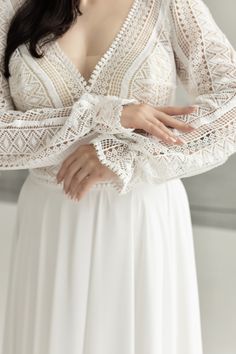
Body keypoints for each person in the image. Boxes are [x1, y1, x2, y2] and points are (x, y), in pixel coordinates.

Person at [1, 0, 236, 353]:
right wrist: (105, 114)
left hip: (142, 218)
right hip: (52, 222)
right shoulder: (10, 7)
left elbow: (230, 106)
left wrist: (125, 154)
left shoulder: (170, 4)